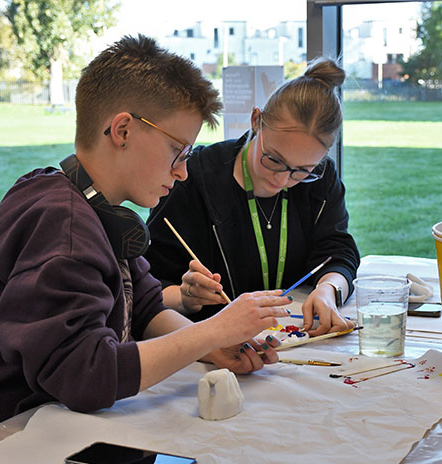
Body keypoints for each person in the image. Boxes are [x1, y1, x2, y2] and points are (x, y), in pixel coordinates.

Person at [0, 35, 292, 426]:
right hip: (12, 434)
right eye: (177, 151)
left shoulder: (99, 209)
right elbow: (85, 375)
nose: (183, 171)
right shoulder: (63, 226)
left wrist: (216, 343)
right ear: (123, 131)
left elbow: (146, 306)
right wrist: (211, 332)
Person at [146, 58, 360, 336]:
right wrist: (184, 297)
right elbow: (147, 286)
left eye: (302, 171)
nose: (282, 180)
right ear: (256, 121)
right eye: (273, 160)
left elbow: (337, 251)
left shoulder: (322, 177)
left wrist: (329, 289)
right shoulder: (193, 179)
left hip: (294, 343)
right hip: (211, 348)